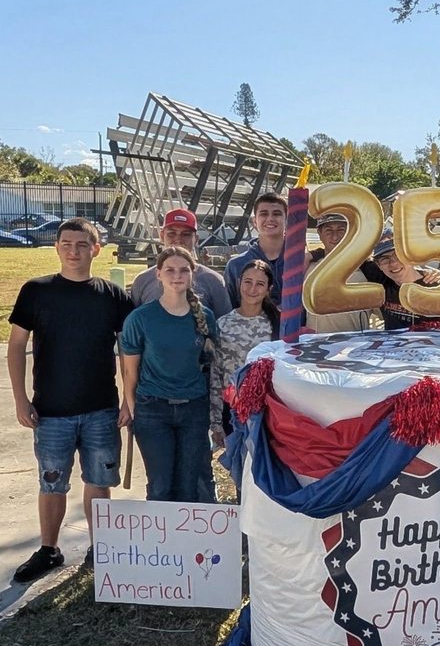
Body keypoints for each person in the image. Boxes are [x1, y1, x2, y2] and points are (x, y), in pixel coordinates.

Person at [7, 219, 134, 581]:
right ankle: (49, 550)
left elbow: (128, 351)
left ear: (96, 248)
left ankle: (100, 549)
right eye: (66, 244)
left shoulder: (113, 295)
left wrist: (129, 399)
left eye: (82, 244)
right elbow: (16, 347)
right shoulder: (36, 291)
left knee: (98, 482)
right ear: (57, 247)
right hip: (50, 412)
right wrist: (20, 399)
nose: (73, 251)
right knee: (51, 482)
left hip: (101, 409)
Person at [122, 246, 219, 502]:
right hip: (153, 410)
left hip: (193, 410)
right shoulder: (140, 318)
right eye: (170, 270)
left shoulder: (205, 318)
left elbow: (211, 367)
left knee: (189, 486)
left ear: (192, 274)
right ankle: (158, 541)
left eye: (184, 270)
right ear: (158, 274)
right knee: (160, 485)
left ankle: (186, 542)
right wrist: (134, 409)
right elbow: (130, 372)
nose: (177, 276)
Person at [210, 260, 280, 449]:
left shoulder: (278, 325)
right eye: (248, 282)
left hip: (268, 410)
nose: (252, 289)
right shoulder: (223, 324)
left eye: (260, 284)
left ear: (268, 289)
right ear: (239, 283)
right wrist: (216, 421)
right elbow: (216, 374)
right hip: (233, 408)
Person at [130, 209, 231, 318]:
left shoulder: (213, 280)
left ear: (196, 239)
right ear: (162, 236)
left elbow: (224, 326)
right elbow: (133, 326)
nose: (178, 240)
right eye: (172, 234)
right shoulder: (143, 280)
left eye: (186, 234)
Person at [361, 229, 440, 330]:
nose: (393, 263)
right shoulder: (382, 280)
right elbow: (354, 254)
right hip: (392, 344)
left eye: (398, 255)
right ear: (378, 265)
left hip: (427, 344)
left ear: (410, 257)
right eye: (385, 259)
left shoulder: (435, 289)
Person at [304, 213, 371, 332]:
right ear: (319, 233)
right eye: (328, 230)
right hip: (316, 345)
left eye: (341, 230)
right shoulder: (309, 266)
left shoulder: (367, 269)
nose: (335, 237)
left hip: (354, 345)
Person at [224, 193, 288, 308]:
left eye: (277, 214)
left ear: (287, 220)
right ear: (254, 221)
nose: (270, 219)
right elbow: (230, 310)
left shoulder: (300, 262)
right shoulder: (236, 265)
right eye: (264, 214)